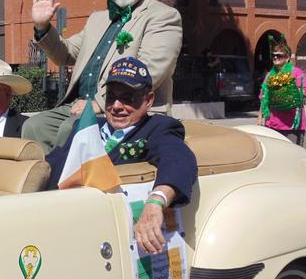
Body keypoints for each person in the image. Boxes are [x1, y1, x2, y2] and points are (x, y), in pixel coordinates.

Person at [22, 0, 183, 152]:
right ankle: (44, 181)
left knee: (70, 130)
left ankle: (71, 184)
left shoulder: (163, 16)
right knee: (35, 127)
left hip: (127, 109)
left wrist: (99, 102)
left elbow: (150, 69)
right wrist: (43, 26)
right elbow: (66, 54)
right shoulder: (98, 19)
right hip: (81, 105)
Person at [47, 58, 197, 255]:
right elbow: (54, 164)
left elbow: (179, 159)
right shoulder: (85, 128)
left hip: (106, 236)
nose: (117, 106)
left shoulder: (157, 129)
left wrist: (156, 201)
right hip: (62, 221)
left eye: (128, 98)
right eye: (111, 97)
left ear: (148, 100)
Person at [257, 36, 306, 146]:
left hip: (292, 125)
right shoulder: (269, 75)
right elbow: (263, 98)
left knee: (294, 157)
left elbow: (305, 93)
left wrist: (287, 91)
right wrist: (259, 118)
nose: (275, 57)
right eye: (274, 55)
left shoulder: (296, 73)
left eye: (279, 55)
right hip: (272, 124)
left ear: (287, 58)